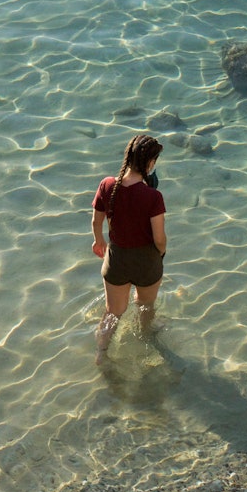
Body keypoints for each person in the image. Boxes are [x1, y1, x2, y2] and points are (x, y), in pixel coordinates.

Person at [91, 134, 167, 364]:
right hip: (147, 262)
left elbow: (96, 222)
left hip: (117, 259)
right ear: (150, 163)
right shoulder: (153, 197)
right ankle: (145, 338)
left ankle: (101, 354)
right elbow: (159, 238)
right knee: (145, 306)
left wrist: (98, 241)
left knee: (113, 312)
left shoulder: (107, 185)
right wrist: (160, 254)